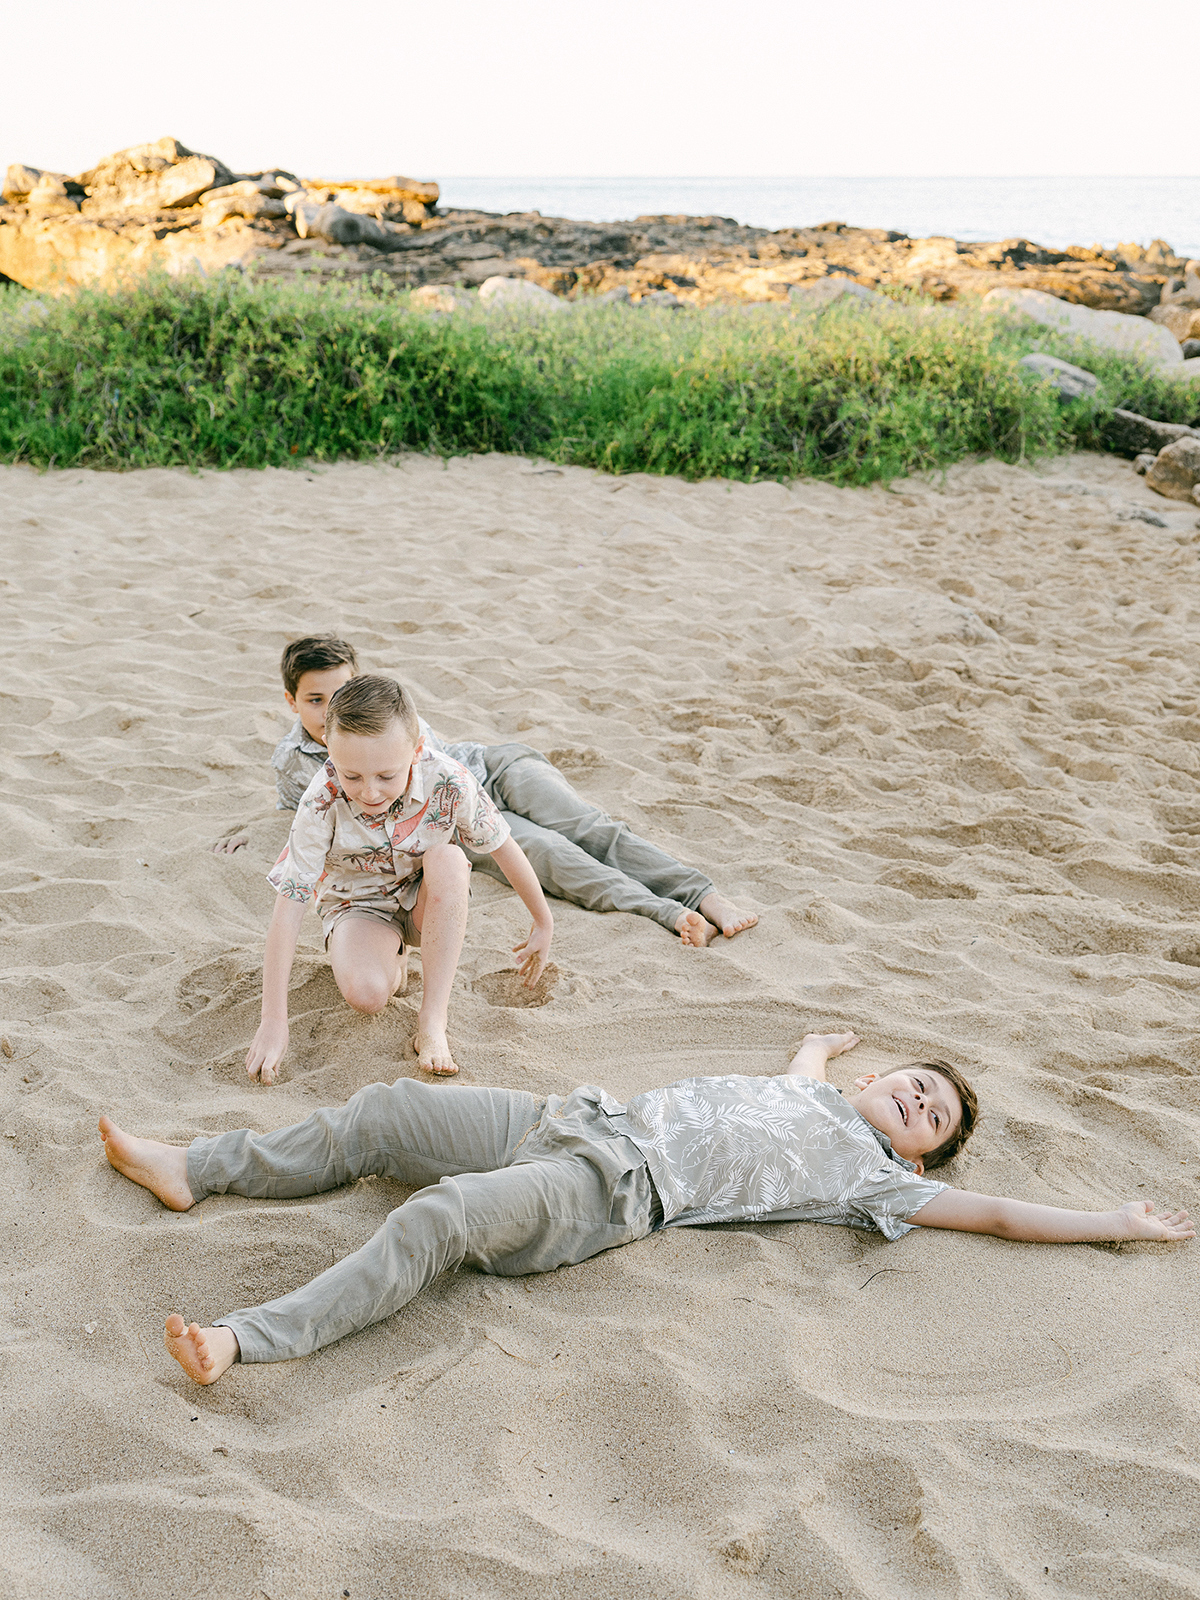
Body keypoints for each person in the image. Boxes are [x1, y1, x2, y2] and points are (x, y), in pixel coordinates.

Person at [97, 1031, 1193, 1387]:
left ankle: (247, 1337)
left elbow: (1000, 1214)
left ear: (919, 1150)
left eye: (932, 1114)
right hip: (570, 1117)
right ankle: (197, 1164)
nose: (918, 1099)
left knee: (435, 1220)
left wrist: (1115, 1222)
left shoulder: (879, 1179)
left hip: (608, 1189)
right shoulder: (813, 1085)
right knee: (386, 1111)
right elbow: (809, 1051)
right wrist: (829, 1040)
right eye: (916, 1080)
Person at [216, 635, 756, 949]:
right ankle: (664, 911)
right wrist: (247, 832)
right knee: (551, 855)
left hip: (488, 770)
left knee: (586, 826)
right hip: (460, 819)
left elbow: (438, 777)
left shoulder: (384, 721)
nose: (331, 709)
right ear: (292, 701)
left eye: (342, 693)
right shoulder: (293, 765)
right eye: (316, 700)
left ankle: (698, 891)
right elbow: (299, 818)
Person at [248, 672, 554, 1081]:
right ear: (330, 754)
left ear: (416, 751)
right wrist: (273, 1022)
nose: (370, 792)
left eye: (386, 776)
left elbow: (502, 845)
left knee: (448, 858)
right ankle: (391, 959)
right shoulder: (321, 800)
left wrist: (543, 920)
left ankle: (432, 1020)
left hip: (426, 897)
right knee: (368, 996)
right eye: (351, 776)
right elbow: (289, 907)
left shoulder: (448, 779)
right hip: (358, 904)